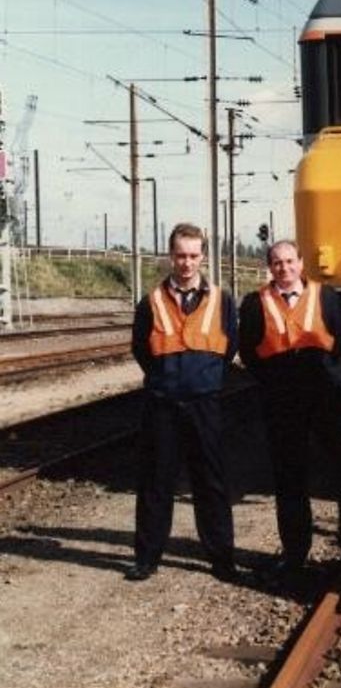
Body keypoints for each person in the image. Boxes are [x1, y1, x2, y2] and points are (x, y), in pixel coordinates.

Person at [127, 222, 238, 582]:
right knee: (156, 482)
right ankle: (147, 557)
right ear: (170, 256)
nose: (186, 263)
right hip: (163, 404)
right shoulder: (151, 302)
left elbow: (230, 346)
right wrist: (167, 380)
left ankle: (222, 558)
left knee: (211, 482)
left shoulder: (222, 301)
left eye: (193, 255)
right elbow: (141, 349)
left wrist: (203, 377)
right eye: (180, 255)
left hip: (205, 404)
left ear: (202, 256)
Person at [239, 239, 341, 582]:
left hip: (325, 398)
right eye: (277, 263)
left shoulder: (326, 297)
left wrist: (333, 385)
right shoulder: (254, 303)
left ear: (302, 264)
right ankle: (295, 553)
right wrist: (274, 385)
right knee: (289, 480)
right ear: (269, 267)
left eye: (289, 261)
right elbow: (249, 353)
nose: (284, 269)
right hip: (282, 403)